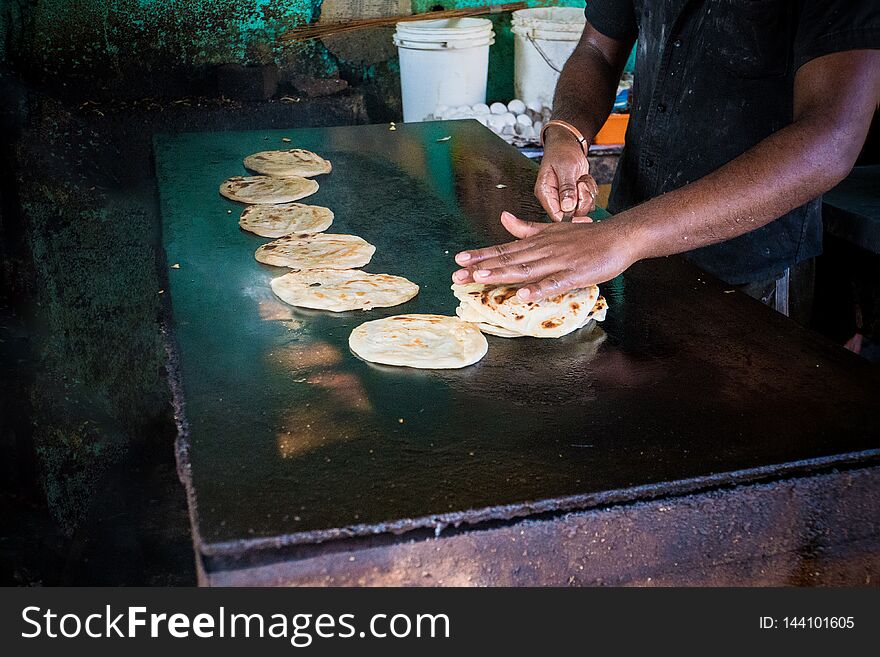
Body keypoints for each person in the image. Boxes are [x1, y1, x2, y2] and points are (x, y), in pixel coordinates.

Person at [452, 0, 880, 319]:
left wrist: (624, 237)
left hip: (750, 272)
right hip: (626, 245)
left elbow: (831, 138)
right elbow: (598, 51)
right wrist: (567, 133)